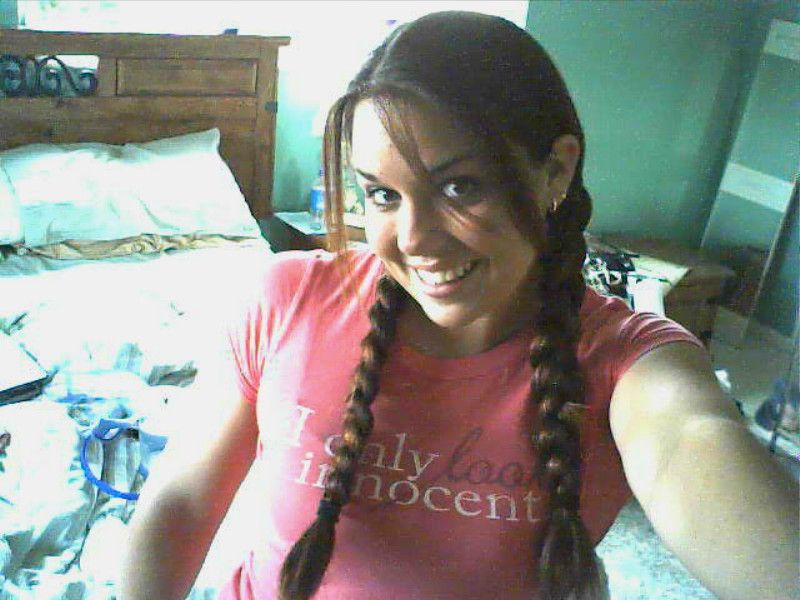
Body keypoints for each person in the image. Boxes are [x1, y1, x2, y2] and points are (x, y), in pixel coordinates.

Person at [119, 11, 799, 600]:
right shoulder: (287, 300)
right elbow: (182, 502)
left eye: (459, 187)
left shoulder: (630, 363)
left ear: (556, 170)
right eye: (383, 195)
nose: (414, 239)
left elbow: (695, 443)